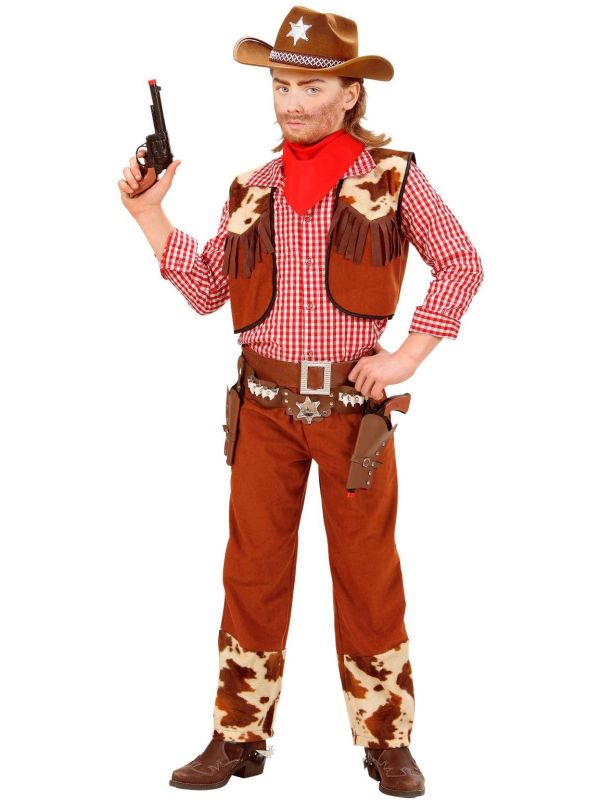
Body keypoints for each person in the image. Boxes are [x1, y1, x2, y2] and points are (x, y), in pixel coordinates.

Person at [118, 6, 483, 796]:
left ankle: (387, 738)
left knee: (368, 572)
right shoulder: (252, 189)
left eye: (311, 88)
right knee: (250, 570)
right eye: (281, 85)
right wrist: (149, 213)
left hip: (352, 415)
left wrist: (406, 356)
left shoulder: (392, 179)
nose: (291, 102)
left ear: (350, 94)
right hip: (263, 409)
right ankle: (238, 734)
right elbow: (207, 289)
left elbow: (460, 262)